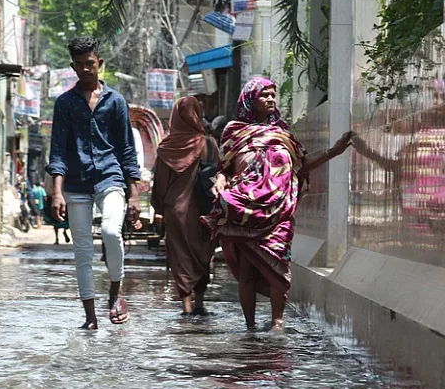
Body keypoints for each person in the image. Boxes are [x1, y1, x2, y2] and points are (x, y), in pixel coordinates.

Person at [200, 76, 352, 331]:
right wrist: (220, 181)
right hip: (246, 210)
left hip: (279, 211)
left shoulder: (283, 134)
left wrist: (333, 151)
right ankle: (249, 326)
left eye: (273, 95)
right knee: (247, 270)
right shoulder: (234, 132)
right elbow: (223, 168)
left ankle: (277, 323)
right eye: (265, 95)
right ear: (250, 100)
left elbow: (301, 165)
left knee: (278, 265)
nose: (271, 99)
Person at [47, 36, 141, 329]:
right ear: (73, 67)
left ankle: (115, 291)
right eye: (80, 65)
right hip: (75, 183)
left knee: (112, 232)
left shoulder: (116, 102)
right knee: (83, 251)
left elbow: (126, 148)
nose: (86, 69)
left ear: (99, 63)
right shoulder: (64, 103)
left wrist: (134, 193)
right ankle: (90, 317)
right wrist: (57, 192)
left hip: (110, 177)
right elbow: (58, 150)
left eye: (91, 63)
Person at [152, 97, 218, 316]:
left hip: (175, 211)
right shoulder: (208, 143)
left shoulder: (165, 148)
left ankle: (186, 306)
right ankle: (199, 302)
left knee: (180, 257)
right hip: (203, 209)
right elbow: (218, 175)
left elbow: (160, 184)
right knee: (202, 254)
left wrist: (160, 209)